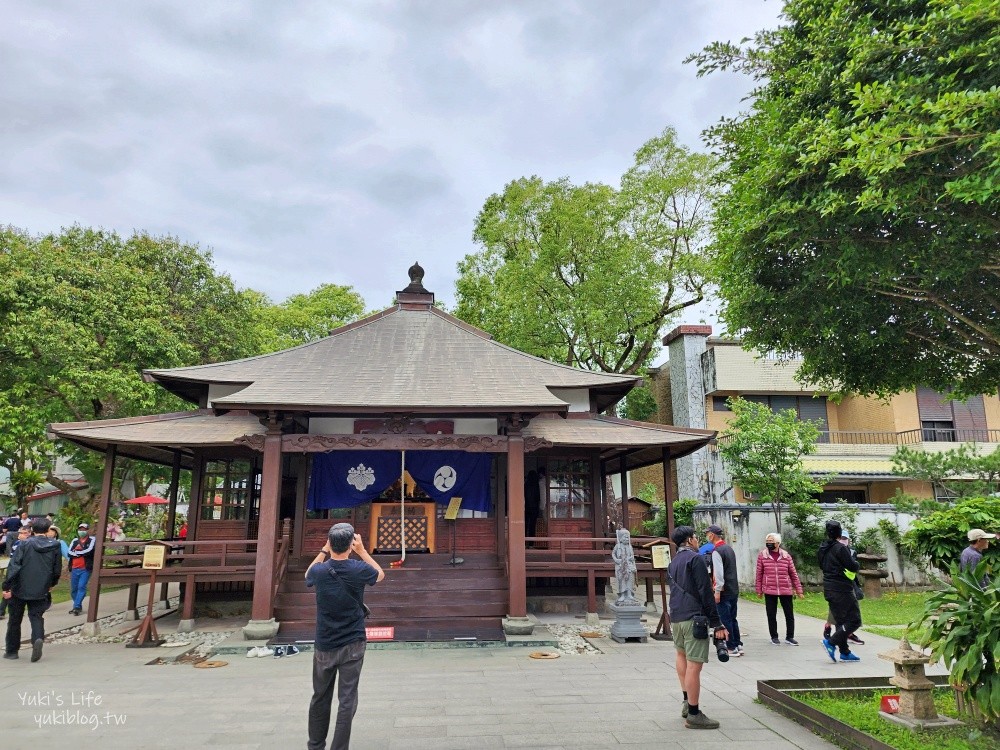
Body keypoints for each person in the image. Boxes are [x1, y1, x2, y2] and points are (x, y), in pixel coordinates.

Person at [306, 523, 384, 750]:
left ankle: (315, 746)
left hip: (324, 644)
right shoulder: (358, 569)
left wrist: (323, 550)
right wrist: (362, 552)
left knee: (320, 697)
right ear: (351, 544)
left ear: (330, 544)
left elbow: (307, 574)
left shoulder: (319, 571)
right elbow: (379, 575)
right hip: (353, 642)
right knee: (347, 700)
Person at [668, 525, 728, 730]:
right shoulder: (696, 559)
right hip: (694, 617)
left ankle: (686, 700)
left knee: (681, 656)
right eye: (694, 537)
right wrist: (717, 623)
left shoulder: (674, 561)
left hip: (676, 616)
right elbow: (705, 592)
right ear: (688, 540)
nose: (697, 540)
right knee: (695, 665)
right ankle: (694, 713)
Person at [3, 517, 61, 662]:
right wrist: (51, 584)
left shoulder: (24, 544)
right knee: (36, 617)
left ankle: (11, 651)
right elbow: (56, 569)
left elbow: (14, 566)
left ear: (32, 530)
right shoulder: (55, 545)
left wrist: (6, 585)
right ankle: (37, 638)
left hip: (20, 587)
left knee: (15, 619)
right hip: (41, 587)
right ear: (48, 530)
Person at [818, 520, 862, 662]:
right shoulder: (840, 548)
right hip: (842, 589)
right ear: (839, 532)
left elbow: (821, 565)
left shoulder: (823, 548)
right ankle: (831, 642)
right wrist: (856, 563)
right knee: (854, 620)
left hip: (828, 587)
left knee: (840, 620)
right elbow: (852, 566)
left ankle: (845, 651)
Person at [755, 532, 804, 645]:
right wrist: (759, 590)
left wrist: (799, 590)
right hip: (769, 589)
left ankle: (790, 637)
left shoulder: (786, 556)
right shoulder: (763, 555)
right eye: (767, 542)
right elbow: (759, 574)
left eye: (771, 542)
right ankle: (774, 636)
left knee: (789, 614)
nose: (769, 544)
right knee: (771, 614)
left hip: (785, 589)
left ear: (778, 543)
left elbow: (793, 574)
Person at [706, 524, 742, 657]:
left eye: (708, 533)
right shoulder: (728, 548)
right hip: (733, 588)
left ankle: (731, 646)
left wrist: (717, 591)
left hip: (724, 590)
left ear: (712, 535)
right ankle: (738, 643)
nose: (707, 536)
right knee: (733, 617)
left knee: (725, 619)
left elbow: (718, 574)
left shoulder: (717, 551)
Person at [66, 523, 96, 616]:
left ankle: (77, 606)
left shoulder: (92, 540)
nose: (82, 531)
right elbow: (69, 552)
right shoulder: (75, 540)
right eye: (80, 529)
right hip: (75, 568)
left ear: (87, 530)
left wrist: (78, 552)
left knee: (81, 586)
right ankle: (77, 605)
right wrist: (77, 554)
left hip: (85, 568)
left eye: (84, 529)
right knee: (74, 589)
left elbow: (89, 551)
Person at [524, 468, 544, 544]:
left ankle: (524, 542)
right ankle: (531, 543)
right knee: (532, 525)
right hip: (534, 508)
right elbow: (539, 497)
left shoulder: (526, 484)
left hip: (526, 508)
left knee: (525, 525)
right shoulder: (537, 484)